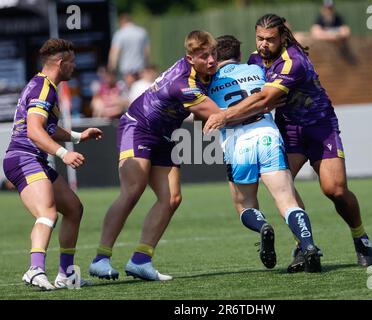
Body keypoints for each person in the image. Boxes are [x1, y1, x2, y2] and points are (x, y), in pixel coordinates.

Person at [204, 14, 372, 271]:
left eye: (269, 39)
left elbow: (264, 99)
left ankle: (360, 236)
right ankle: (303, 247)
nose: (263, 44)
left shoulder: (293, 61)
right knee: (284, 188)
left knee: (335, 190)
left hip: (319, 126)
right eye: (259, 38)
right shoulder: (255, 60)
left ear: (282, 37)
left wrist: (225, 115)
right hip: (289, 129)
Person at [88, 30, 222, 281]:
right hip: (138, 127)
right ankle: (100, 258)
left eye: (214, 53)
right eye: (205, 56)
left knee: (171, 198)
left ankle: (141, 260)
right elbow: (219, 115)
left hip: (164, 134)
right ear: (190, 58)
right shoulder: (184, 85)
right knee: (133, 190)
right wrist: (261, 105)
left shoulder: (199, 69)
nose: (212, 60)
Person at [208, 35, 322, 272]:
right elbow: (275, 96)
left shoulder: (209, 80)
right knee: (287, 201)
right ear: (239, 55)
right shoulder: (255, 69)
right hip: (267, 134)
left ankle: (262, 228)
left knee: (245, 205)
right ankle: (308, 245)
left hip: (237, 142)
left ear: (215, 57)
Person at [2, 39, 103, 290]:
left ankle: (66, 274)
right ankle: (35, 270)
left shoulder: (45, 86)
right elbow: (35, 132)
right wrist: (63, 153)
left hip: (32, 158)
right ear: (60, 63)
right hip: (23, 157)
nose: (75, 67)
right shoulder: (42, 88)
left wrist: (78, 137)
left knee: (73, 208)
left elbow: (46, 128)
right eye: (72, 62)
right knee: (46, 213)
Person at [108, 13, 150, 88]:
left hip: (127, 69)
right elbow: (146, 51)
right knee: (140, 90)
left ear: (122, 22)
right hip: (140, 67)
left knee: (130, 92)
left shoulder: (120, 34)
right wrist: (147, 65)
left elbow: (115, 53)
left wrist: (112, 68)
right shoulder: (142, 32)